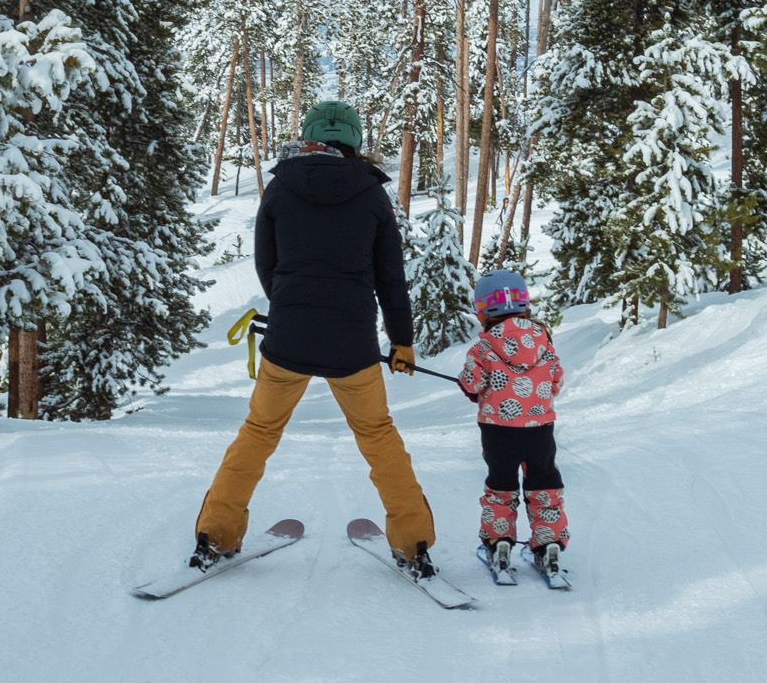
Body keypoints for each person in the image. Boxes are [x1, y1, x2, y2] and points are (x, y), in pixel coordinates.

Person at [192, 101, 438, 576]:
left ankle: (215, 535)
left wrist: (289, 306)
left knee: (258, 433)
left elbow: (267, 265)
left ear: (308, 135)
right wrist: (401, 342)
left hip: (288, 340)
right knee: (378, 437)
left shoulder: (281, 189)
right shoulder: (372, 195)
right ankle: (414, 543)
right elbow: (391, 279)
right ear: (355, 140)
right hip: (353, 347)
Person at [456, 269, 567, 579]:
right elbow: (556, 379)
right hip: (539, 430)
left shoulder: (483, 348)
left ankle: (499, 542)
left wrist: (471, 387)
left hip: (498, 432)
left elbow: (472, 383)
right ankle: (548, 545)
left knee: (501, 485)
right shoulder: (543, 341)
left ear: (482, 309)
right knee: (544, 483)